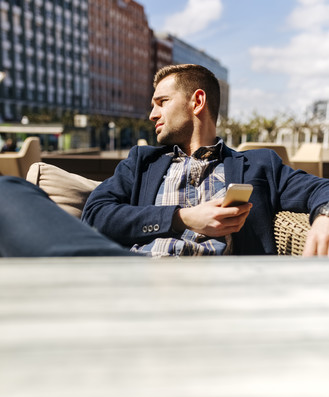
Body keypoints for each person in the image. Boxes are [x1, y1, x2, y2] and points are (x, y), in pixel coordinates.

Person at [0, 63, 329, 257]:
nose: (151, 113)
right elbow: (96, 215)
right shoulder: (142, 162)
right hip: (132, 279)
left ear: (196, 101)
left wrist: (325, 217)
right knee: (8, 191)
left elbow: (321, 191)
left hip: (227, 290)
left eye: (162, 101)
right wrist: (182, 218)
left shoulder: (259, 165)